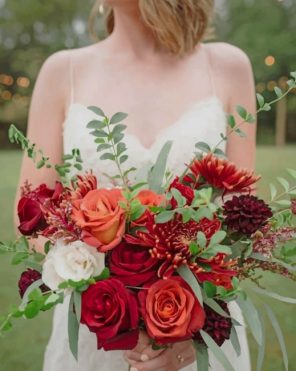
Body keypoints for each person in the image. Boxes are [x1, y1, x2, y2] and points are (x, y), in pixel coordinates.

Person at [16, 0, 256, 370]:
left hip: (202, 336)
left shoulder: (226, 66)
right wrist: (102, 286)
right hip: (99, 329)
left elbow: (244, 217)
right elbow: (34, 214)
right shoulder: (63, 71)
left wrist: (193, 323)